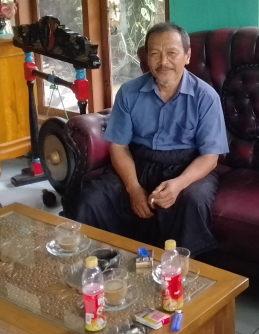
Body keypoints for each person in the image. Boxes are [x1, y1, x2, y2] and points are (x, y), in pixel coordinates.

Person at [73, 22, 228, 255]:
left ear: (187, 56)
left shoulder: (205, 97)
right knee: (92, 199)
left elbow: (210, 157)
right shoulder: (129, 92)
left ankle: (181, 270)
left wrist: (178, 184)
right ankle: (101, 264)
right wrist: (133, 188)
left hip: (187, 166)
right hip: (139, 162)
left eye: (172, 53)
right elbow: (119, 147)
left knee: (192, 202)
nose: (163, 62)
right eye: (155, 54)